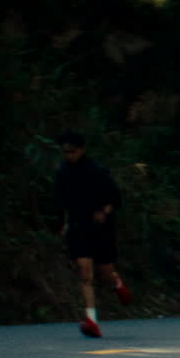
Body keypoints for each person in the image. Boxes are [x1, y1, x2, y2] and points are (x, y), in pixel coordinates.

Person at [55, 131, 132, 337]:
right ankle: (91, 320)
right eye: (65, 152)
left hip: (100, 227)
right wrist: (64, 223)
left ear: (82, 150)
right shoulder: (63, 172)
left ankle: (117, 283)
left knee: (105, 270)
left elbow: (115, 197)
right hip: (79, 226)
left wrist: (104, 211)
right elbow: (62, 201)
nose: (68, 155)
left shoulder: (96, 171)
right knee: (84, 271)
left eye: (72, 151)